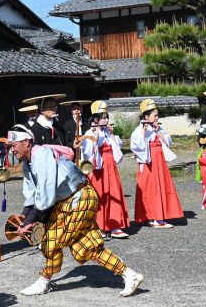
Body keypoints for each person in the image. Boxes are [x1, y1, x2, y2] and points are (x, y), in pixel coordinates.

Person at [8, 124, 144, 297]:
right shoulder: (28, 162)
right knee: (86, 245)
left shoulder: (42, 156)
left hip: (79, 198)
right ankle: (129, 274)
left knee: (51, 241)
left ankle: (43, 281)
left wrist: (29, 222)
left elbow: (45, 195)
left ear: (26, 142)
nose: (12, 150)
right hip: (71, 200)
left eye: (13, 145)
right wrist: (23, 220)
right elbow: (32, 196)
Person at [130, 99, 183, 228]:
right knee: (150, 189)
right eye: (155, 115)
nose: (157, 118)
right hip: (149, 162)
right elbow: (137, 146)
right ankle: (153, 218)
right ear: (146, 116)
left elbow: (167, 143)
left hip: (159, 162)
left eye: (157, 115)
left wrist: (158, 130)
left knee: (161, 187)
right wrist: (144, 131)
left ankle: (159, 216)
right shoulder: (139, 130)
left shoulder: (157, 128)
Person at [81, 101, 130, 240]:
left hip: (110, 167)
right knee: (100, 197)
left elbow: (116, 150)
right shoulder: (89, 133)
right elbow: (88, 154)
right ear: (96, 119)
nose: (107, 120)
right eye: (104, 117)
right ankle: (99, 226)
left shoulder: (107, 132)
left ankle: (115, 226)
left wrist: (112, 135)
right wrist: (95, 140)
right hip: (99, 169)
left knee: (114, 193)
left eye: (107, 117)